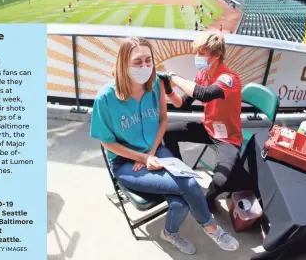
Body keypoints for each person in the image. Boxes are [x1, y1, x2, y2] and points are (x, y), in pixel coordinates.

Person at [90, 37, 239, 254]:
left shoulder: (155, 85)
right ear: (123, 63)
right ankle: (211, 227)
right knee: (189, 185)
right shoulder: (106, 97)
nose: (144, 66)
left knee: (180, 203)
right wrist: (142, 158)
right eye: (137, 61)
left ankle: (169, 234)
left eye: (148, 60)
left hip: (154, 151)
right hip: (125, 163)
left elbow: (163, 121)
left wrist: (150, 153)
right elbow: (106, 141)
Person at [157, 31, 243, 210]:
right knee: (167, 132)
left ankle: (209, 199)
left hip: (227, 137)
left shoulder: (229, 79)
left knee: (220, 180)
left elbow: (204, 94)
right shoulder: (202, 75)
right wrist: (168, 89)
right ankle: (183, 177)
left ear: (217, 55)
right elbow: (183, 104)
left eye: (202, 54)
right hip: (208, 127)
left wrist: (173, 76)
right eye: (197, 53)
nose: (197, 57)